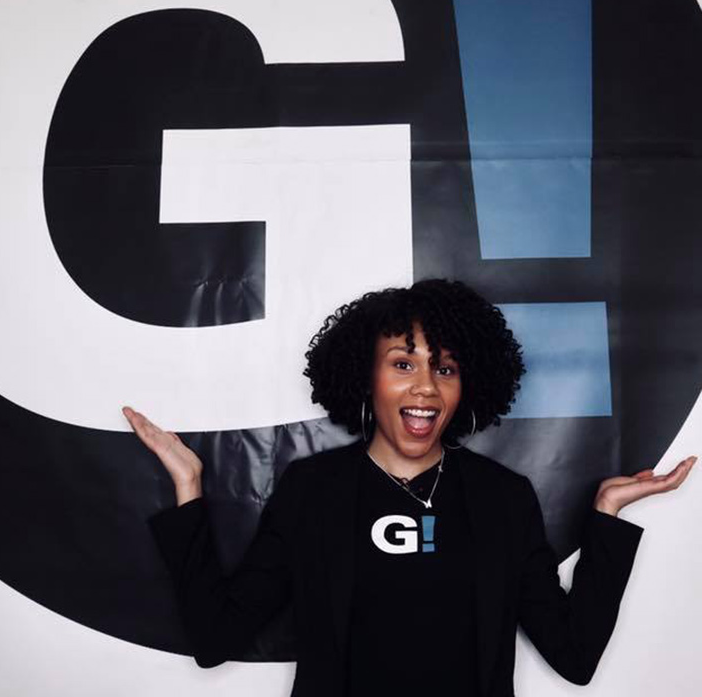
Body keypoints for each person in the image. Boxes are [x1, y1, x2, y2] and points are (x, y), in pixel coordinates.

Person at [123, 278, 696, 697]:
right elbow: (216, 638)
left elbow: (574, 658)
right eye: (402, 364)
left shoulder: (501, 498)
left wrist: (607, 515)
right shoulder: (314, 491)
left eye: (444, 369)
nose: (425, 387)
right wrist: (189, 485)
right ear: (365, 379)